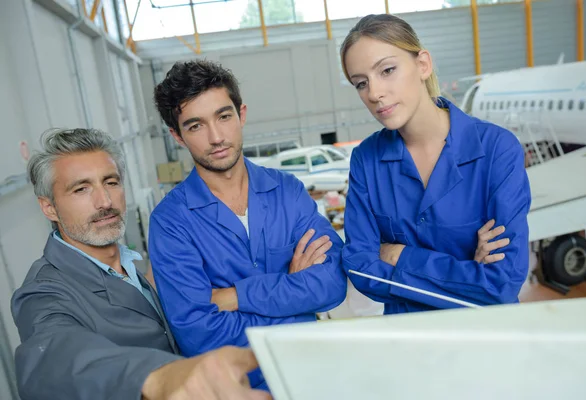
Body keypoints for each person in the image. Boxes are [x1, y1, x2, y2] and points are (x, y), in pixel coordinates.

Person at [11, 128, 270, 400]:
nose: (105, 202)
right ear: (49, 207)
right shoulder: (44, 292)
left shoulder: (129, 265)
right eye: (81, 189)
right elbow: (54, 356)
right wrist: (159, 378)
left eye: (111, 182)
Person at [150, 60, 347, 389]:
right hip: (238, 391)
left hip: (313, 380)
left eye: (223, 116)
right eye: (196, 125)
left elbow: (331, 285)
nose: (216, 137)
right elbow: (200, 336)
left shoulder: (288, 191)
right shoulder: (170, 223)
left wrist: (235, 296)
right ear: (177, 135)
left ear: (241, 115)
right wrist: (294, 295)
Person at [340, 14, 531, 314]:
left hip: (485, 337)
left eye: (387, 70)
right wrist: (468, 273)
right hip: (409, 341)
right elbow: (361, 270)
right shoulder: (366, 159)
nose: (374, 93)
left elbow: (502, 283)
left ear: (422, 65)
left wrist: (399, 257)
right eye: (361, 83)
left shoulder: (497, 150)